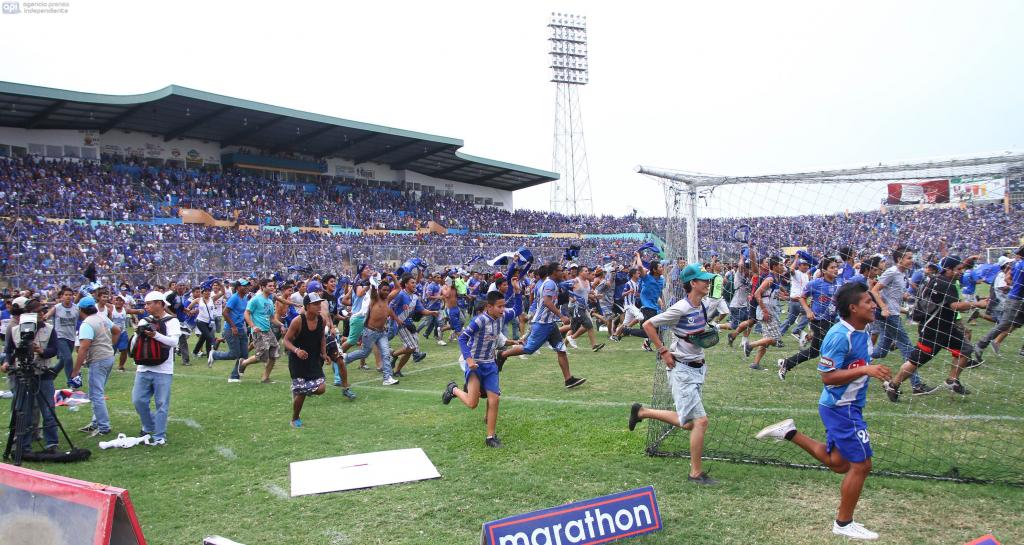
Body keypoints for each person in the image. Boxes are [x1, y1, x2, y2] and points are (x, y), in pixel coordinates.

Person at [755, 281, 892, 540]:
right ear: (853, 308)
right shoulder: (840, 335)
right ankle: (843, 524)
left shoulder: (862, 330)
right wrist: (866, 370)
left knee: (839, 463)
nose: (873, 305)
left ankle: (789, 433)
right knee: (862, 465)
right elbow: (827, 377)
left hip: (847, 406)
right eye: (868, 302)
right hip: (841, 407)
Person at [626, 264, 720, 485]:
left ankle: (642, 412)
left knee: (688, 423)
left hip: (697, 368)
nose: (707, 283)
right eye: (703, 279)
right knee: (700, 422)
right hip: (682, 370)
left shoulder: (702, 305)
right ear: (693, 283)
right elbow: (648, 325)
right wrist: (663, 351)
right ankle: (695, 473)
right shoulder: (681, 308)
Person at [883, 255, 988, 402]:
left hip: (946, 327)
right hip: (933, 329)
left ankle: (952, 381)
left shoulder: (937, 279)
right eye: (958, 269)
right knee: (917, 360)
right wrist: (977, 304)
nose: (961, 272)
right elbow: (955, 306)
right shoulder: (946, 284)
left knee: (965, 349)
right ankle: (893, 385)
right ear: (948, 269)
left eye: (962, 269)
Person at [442, 281, 523, 448]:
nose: (503, 310)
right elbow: (463, 338)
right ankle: (453, 389)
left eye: (503, 306)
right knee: (472, 403)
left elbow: (518, 309)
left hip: (490, 365)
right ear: (489, 307)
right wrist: (469, 359)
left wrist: (517, 291)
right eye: (499, 307)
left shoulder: (503, 317)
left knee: (494, 399)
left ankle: (490, 437)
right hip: (475, 366)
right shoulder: (479, 321)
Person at [496, 262, 586, 389]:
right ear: (554, 272)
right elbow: (547, 301)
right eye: (560, 270)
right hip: (542, 323)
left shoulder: (553, 283)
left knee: (561, 349)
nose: (563, 272)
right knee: (529, 349)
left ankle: (568, 379)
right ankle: (502, 354)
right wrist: (561, 316)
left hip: (550, 323)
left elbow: (564, 289)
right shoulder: (549, 284)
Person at [3, 297, 61, 453]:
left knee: (48, 410)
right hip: (23, 374)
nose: (42, 314)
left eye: (42, 311)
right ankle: (24, 445)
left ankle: (52, 444)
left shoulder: (49, 329)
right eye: (38, 311)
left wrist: (41, 351)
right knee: (24, 411)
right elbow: (9, 350)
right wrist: (7, 362)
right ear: (28, 314)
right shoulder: (15, 330)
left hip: (43, 373)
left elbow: (54, 350)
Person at [777, 257, 840, 380]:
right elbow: (802, 297)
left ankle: (787, 363)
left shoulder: (839, 283)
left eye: (836, 267)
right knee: (829, 347)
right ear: (824, 270)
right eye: (832, 267)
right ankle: (833, 373)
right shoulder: (815, 283)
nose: (835, 269)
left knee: (815, 351)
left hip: (833, 320)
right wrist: (808, 311)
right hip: (819, 320)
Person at [131, 291, 180, 446]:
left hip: (163, 369)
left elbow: (173, 342)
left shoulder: (172, 321)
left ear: (159, 303)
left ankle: (159, 435)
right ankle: (149, 426)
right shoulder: (144, 321)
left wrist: (155, 335)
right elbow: (135, 342)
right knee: (138, 400)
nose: (146, 307)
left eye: (149, 304)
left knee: (161, 404)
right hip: (143, 367)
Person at [71, 295, 121, 438]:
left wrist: (76, 370)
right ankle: (96, 422)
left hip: (98, 359)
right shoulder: (102, 317)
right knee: (97, 392)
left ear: (81, 309)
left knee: (96, 395)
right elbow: (117, 330)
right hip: (108, 356)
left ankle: (103, 427)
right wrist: (110, 344)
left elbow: (83, 348)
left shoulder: (86, 324)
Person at [343, 279, 404, 386]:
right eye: (384, 290)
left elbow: (398, 289)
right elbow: (374, 289)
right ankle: (345, 359)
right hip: (370, 332)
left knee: (385, 354)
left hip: (382, 333)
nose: (386, 292)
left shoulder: (387, 299)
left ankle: (387, 378)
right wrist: (373, 282)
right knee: (364, 353)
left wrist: (392, 276)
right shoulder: (375, 298)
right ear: (379, 290)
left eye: (387, 290)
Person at [281, 292, 329, 428]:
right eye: (315, 304)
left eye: (319, 303)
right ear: (307, 306)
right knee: (301, 393)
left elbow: (322, 337)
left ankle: (298, 390)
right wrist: (297, 350)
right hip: (298, 362)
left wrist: (324, 353)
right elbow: (286, 341)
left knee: (321, 388)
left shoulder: (322, 320)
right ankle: (295, 418)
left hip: (313, 360)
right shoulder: (298, 321)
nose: (319, 306)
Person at [975, 246, 1024, 358]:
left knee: (1008, 323)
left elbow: (1008, 278)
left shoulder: (1018, 264)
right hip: (1016, 299)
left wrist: (1014, 283)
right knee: (1005, 323)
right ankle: (981, 344)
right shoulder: (1022, 265)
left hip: (1016, 298)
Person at [390, 274, 438, 377]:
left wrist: (432, 312)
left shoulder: (415, 297)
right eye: (412, 283)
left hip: (409, 324)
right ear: (406, 284)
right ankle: (394, 355)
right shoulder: (400, 295)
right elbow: (390, 308)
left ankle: (397, 370)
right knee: (412, 347)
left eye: (415, 283)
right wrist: (397, 320)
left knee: (409, 349)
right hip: (400, 324)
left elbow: (422, 310)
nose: (415, 284)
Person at [236, 279, 281, 384]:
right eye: (270, 286)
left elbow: (272, 318)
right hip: (258, 331)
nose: (272, 288)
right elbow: (246, 313)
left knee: (274, 354)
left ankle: (265, 378)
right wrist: (253, 326)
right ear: (263, 287)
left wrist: (282, 325)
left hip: (268, 331)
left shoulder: (270, 301)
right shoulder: (255, 299)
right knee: (261, 356)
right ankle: (243, 363)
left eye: (273, 286)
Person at [746, 256, 784, 370]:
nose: (783, 267)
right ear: (774, 266)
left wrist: (785, 297)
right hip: (767, 309)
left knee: (766, 339)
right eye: (781, 265)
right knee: (775, 339)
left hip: (771, 308)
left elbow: (771, 295)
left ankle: (755, 364)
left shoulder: (776, 278)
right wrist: (764, 310)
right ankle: (750, 345)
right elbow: (757, 294)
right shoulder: (770, 279)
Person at [211, 279, 251, 381]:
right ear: (238, 288)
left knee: (244, 355)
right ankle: (214, 354)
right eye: (244, 286)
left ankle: (234, 376)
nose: (247, 287)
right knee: (234, 354)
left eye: (247, 286)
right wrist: (233, 326)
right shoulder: (234, 298)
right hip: (231, 329)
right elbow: (225, 313)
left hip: (241, 328)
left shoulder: (245, 298)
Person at [43, 287, 78, 383]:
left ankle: (51, 375)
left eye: (70, 295)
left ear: (73, 296)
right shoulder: (57, 307)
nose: (68, 297)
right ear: (62, 296)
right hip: (59, 337)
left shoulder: (76, 308)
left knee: (63, 360)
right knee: (68, 358)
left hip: (71, 337)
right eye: (66, 295)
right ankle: (71, 382)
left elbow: (84, 318)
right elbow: (47, 315)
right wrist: (43, 317)